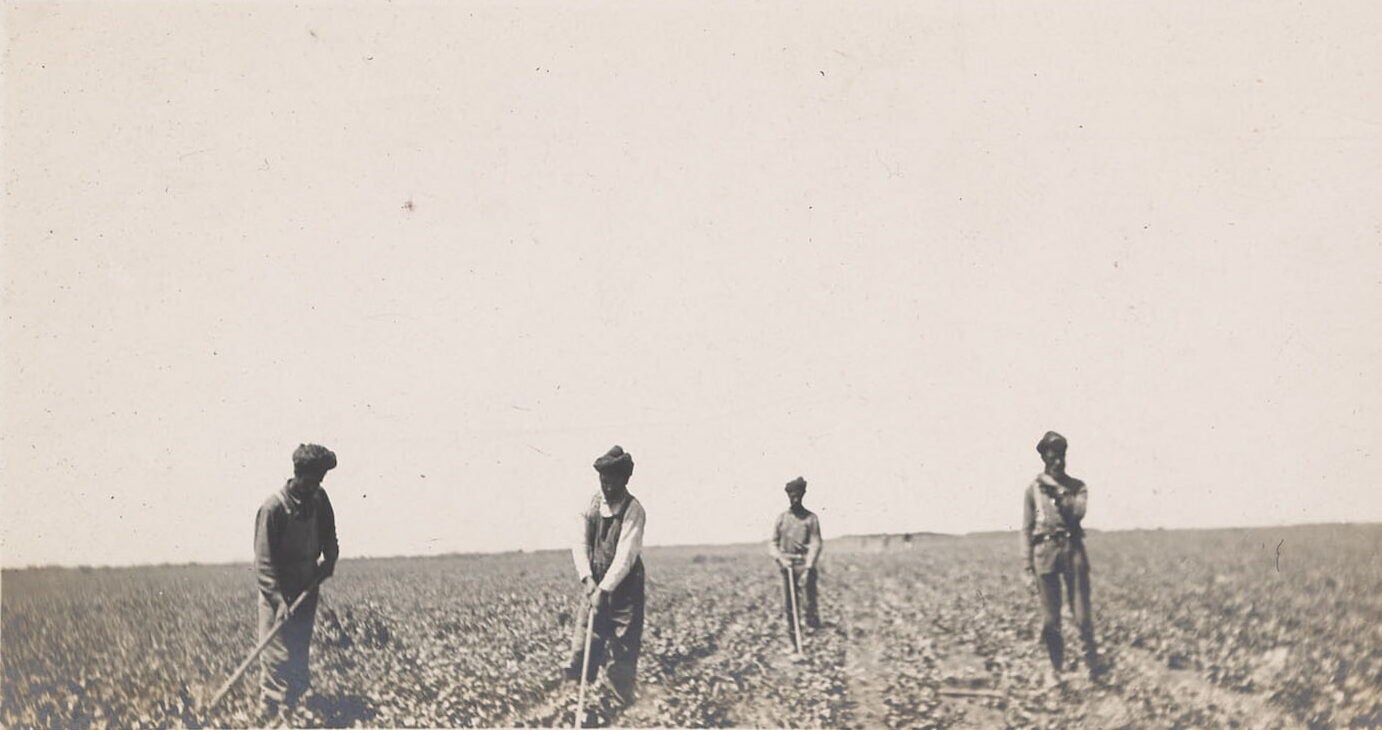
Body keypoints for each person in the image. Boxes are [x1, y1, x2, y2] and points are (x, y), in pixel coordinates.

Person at [254, 443, 339, 725]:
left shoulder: (319, 498)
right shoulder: (273, 508)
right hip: (277, 586)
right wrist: (278, 601)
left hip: (307, 581)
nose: (315, 486)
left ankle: (297, 704)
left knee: (300, 643)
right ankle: (269, 711)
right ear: (297, 475)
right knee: (276, 649)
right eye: (312, 480)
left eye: (320, 481)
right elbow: (264, 563)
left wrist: (329, 561)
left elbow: (329, 534)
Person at [565, 445, 647, 708]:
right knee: (586, 636)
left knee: (623, 644)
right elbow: (580, 544)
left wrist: (605, 589)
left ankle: (618, 701)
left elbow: (625, 555)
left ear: (625, 479)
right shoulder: (590, 504)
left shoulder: (634, 509)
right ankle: (575, 691)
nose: (607, 486)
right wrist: (588, 581)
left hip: (625, 585)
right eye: (603, 480)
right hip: (595, 578)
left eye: (613, 481)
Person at [1021, 431, 1104, 684]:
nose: (1058, 461)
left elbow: (1077, 513)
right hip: (1044, 553)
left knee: (1082, 616)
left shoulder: (1077, 487)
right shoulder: (1033, 490)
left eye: (1061, 455)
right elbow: (1026, 527)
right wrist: (1026, 565)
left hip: (1072, 550)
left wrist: (1057, 491)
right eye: (1052, 456)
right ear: (1044, 457)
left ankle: (1092, 664)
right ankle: (1056, 670)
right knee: (1050, 620)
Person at [769, 476, 822, 646]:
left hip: (805, 565)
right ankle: (794, 642)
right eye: (792, 495)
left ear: (803, 495)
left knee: (809, 604)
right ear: (788, 495)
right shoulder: (782, 518)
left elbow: (816, 542)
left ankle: (812, 641)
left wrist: (808, 566)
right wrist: (780, 558)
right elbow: (773, 543)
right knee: (790, 606)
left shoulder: (811, 518)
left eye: (798, 495)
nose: (795, 498)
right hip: (787, 567)